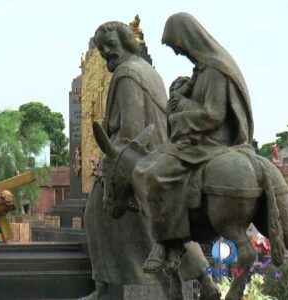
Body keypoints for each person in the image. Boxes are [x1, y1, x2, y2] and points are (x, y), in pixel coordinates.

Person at [83, 20, 218, 300]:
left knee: (98, 211)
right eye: (102, 48)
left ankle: (106, 290)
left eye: (112, 45)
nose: (107, 52)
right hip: (157, 159)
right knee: (167, 225)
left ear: (126, 43)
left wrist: (108, 164)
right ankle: (202, 280)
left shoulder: (127, 73)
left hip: (138, 161)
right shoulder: (148, 71)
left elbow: (131, 131)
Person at [133, 12, 254, 272]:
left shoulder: (215, 70)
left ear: (187, 39)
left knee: (154, 173)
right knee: (149, 166)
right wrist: (182, 94)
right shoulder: (202, 70)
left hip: (210, 143)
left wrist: (179, 108)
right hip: (198, 138)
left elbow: (214, 115)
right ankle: (173, 243)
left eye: (178, 47)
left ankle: (167, 242)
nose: (178, 53)